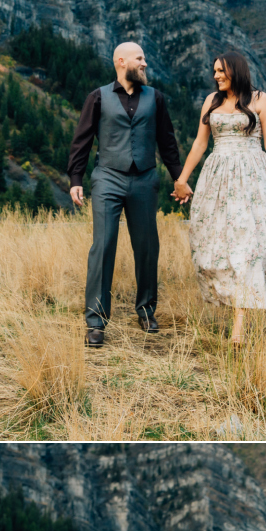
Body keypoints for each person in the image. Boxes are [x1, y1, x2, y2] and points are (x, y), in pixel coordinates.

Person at [68, 41, 184, 349]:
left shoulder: (155, 98)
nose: (145, 63)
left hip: (145, 180)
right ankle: (95, 322)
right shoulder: (98, 97)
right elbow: (82, 139)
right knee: (103, 247)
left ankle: (146, 311)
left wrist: (179, 178)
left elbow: (167, 141)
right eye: (140, 58)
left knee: (147, 247)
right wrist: (75, 178)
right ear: (122, 61)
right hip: (107, 178)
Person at [173, 49, 266, 346]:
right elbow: (200, 144)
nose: (216, 76)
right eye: (214, 71)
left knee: (248, 244)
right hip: (217, 178)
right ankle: (230, 299)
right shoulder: (211, 102)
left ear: (236, 70)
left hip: (251, 177)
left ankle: (239, 325)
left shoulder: (260, 100)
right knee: (215, 243)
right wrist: (183, 179)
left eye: (221, 71)